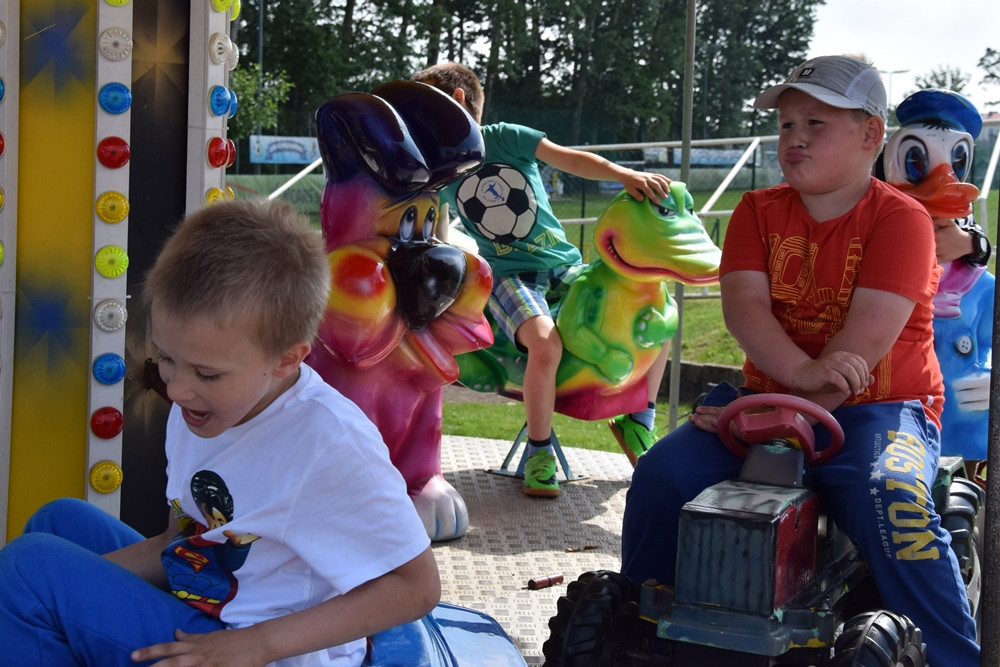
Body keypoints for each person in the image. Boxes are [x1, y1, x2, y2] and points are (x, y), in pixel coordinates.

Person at [620, 56, 979, 665]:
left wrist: (800, 399)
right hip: (771, 399)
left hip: (883, 406)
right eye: (786, 125)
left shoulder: (902, 220)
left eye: (816, 122)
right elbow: (746, 310)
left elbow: (861, 347)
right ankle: (635, 626)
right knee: (663, 476)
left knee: (893, 501)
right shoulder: (758, 212)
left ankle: (951, 654)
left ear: (871, 134)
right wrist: (792, 391)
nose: (795, 137)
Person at [0, 198, 440, 666]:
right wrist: (70, 588)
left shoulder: (327, 442)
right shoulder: (204, 408)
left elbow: (416, 587)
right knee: (58, 526)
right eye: (167, 358)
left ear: (287, 359)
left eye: (207, 374)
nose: (178, 389)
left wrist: (256, 644)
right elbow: (178, 543)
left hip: (261, 651)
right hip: (206, 606)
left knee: (28, 570)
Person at [412, 62, 673, 497]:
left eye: (423, 111)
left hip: (565, 266)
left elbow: (572, 159)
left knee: (656, 311)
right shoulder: (442, 169)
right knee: (544, 342)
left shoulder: (506, 138)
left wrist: (624, 175)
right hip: (513, 279)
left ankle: (638, 420)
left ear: (456, 102)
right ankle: (539, 453)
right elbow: (440, 236)